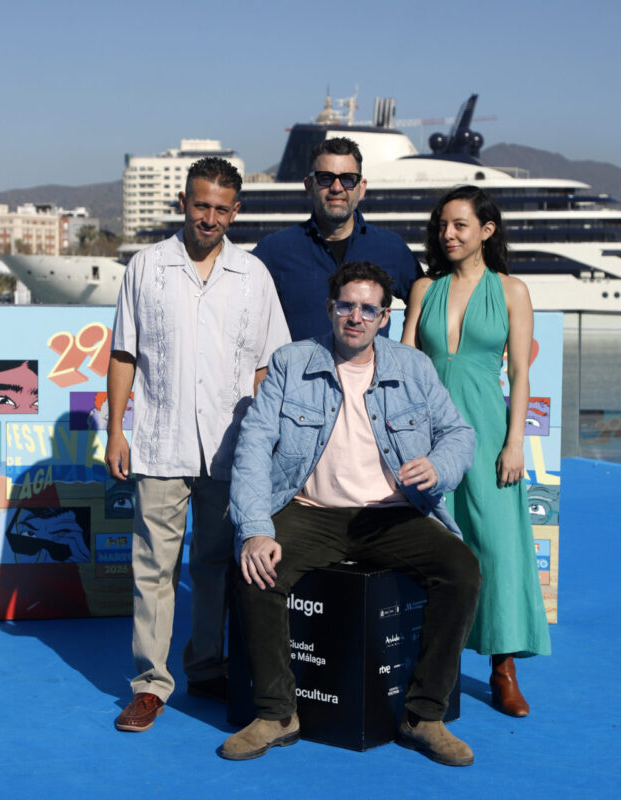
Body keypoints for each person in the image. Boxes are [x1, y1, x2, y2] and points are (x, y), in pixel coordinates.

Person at [224, 262, 480, 767]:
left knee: (462, 570)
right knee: (256, 571)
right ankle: (278, 713)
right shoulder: (291, 362)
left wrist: (439, 466)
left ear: (385, 317)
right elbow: (253, 446)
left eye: (369, 309)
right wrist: (255, 529)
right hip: (311, 509)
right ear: (330, 308)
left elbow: (459, 433)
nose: (356, 317)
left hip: (392, 513)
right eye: (347, 305)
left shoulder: (413, 367)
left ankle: (424, 715)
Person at [107, 156, 290, 732]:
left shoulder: (254, 277)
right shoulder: (145, 267)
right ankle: (150, 685)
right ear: (183, 202)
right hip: (159, 445)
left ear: (236, 211)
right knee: (153, 570)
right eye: (200, 204)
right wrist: (116, 429)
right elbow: (123, 354)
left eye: (220, 208)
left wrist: (265, 447)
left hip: (230, 449)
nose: (208, 217)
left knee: (213, 568)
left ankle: (208, 667)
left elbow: (266, 367)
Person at [401, 185, 551, 718]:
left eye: (460, 225)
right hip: (428, 437)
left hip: (489, 433)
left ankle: (503, 668)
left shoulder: (511, 291)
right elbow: (404, 365)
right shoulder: (424, 289)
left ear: (486, 230)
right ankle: (423, 658)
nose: (449, 234)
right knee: (432, 543)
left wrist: (515, 443)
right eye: (443, 225)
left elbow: (520, 373)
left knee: (497, 548)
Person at [251, 137, 422, 340]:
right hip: (300, 371)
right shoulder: (275, 250)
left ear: (362, 187)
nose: (337, 187)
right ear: (309, 185)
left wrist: (406, 349)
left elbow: (428, 304)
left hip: (373, 372)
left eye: (348, 179)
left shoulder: (391, 248)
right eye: (325, 178)